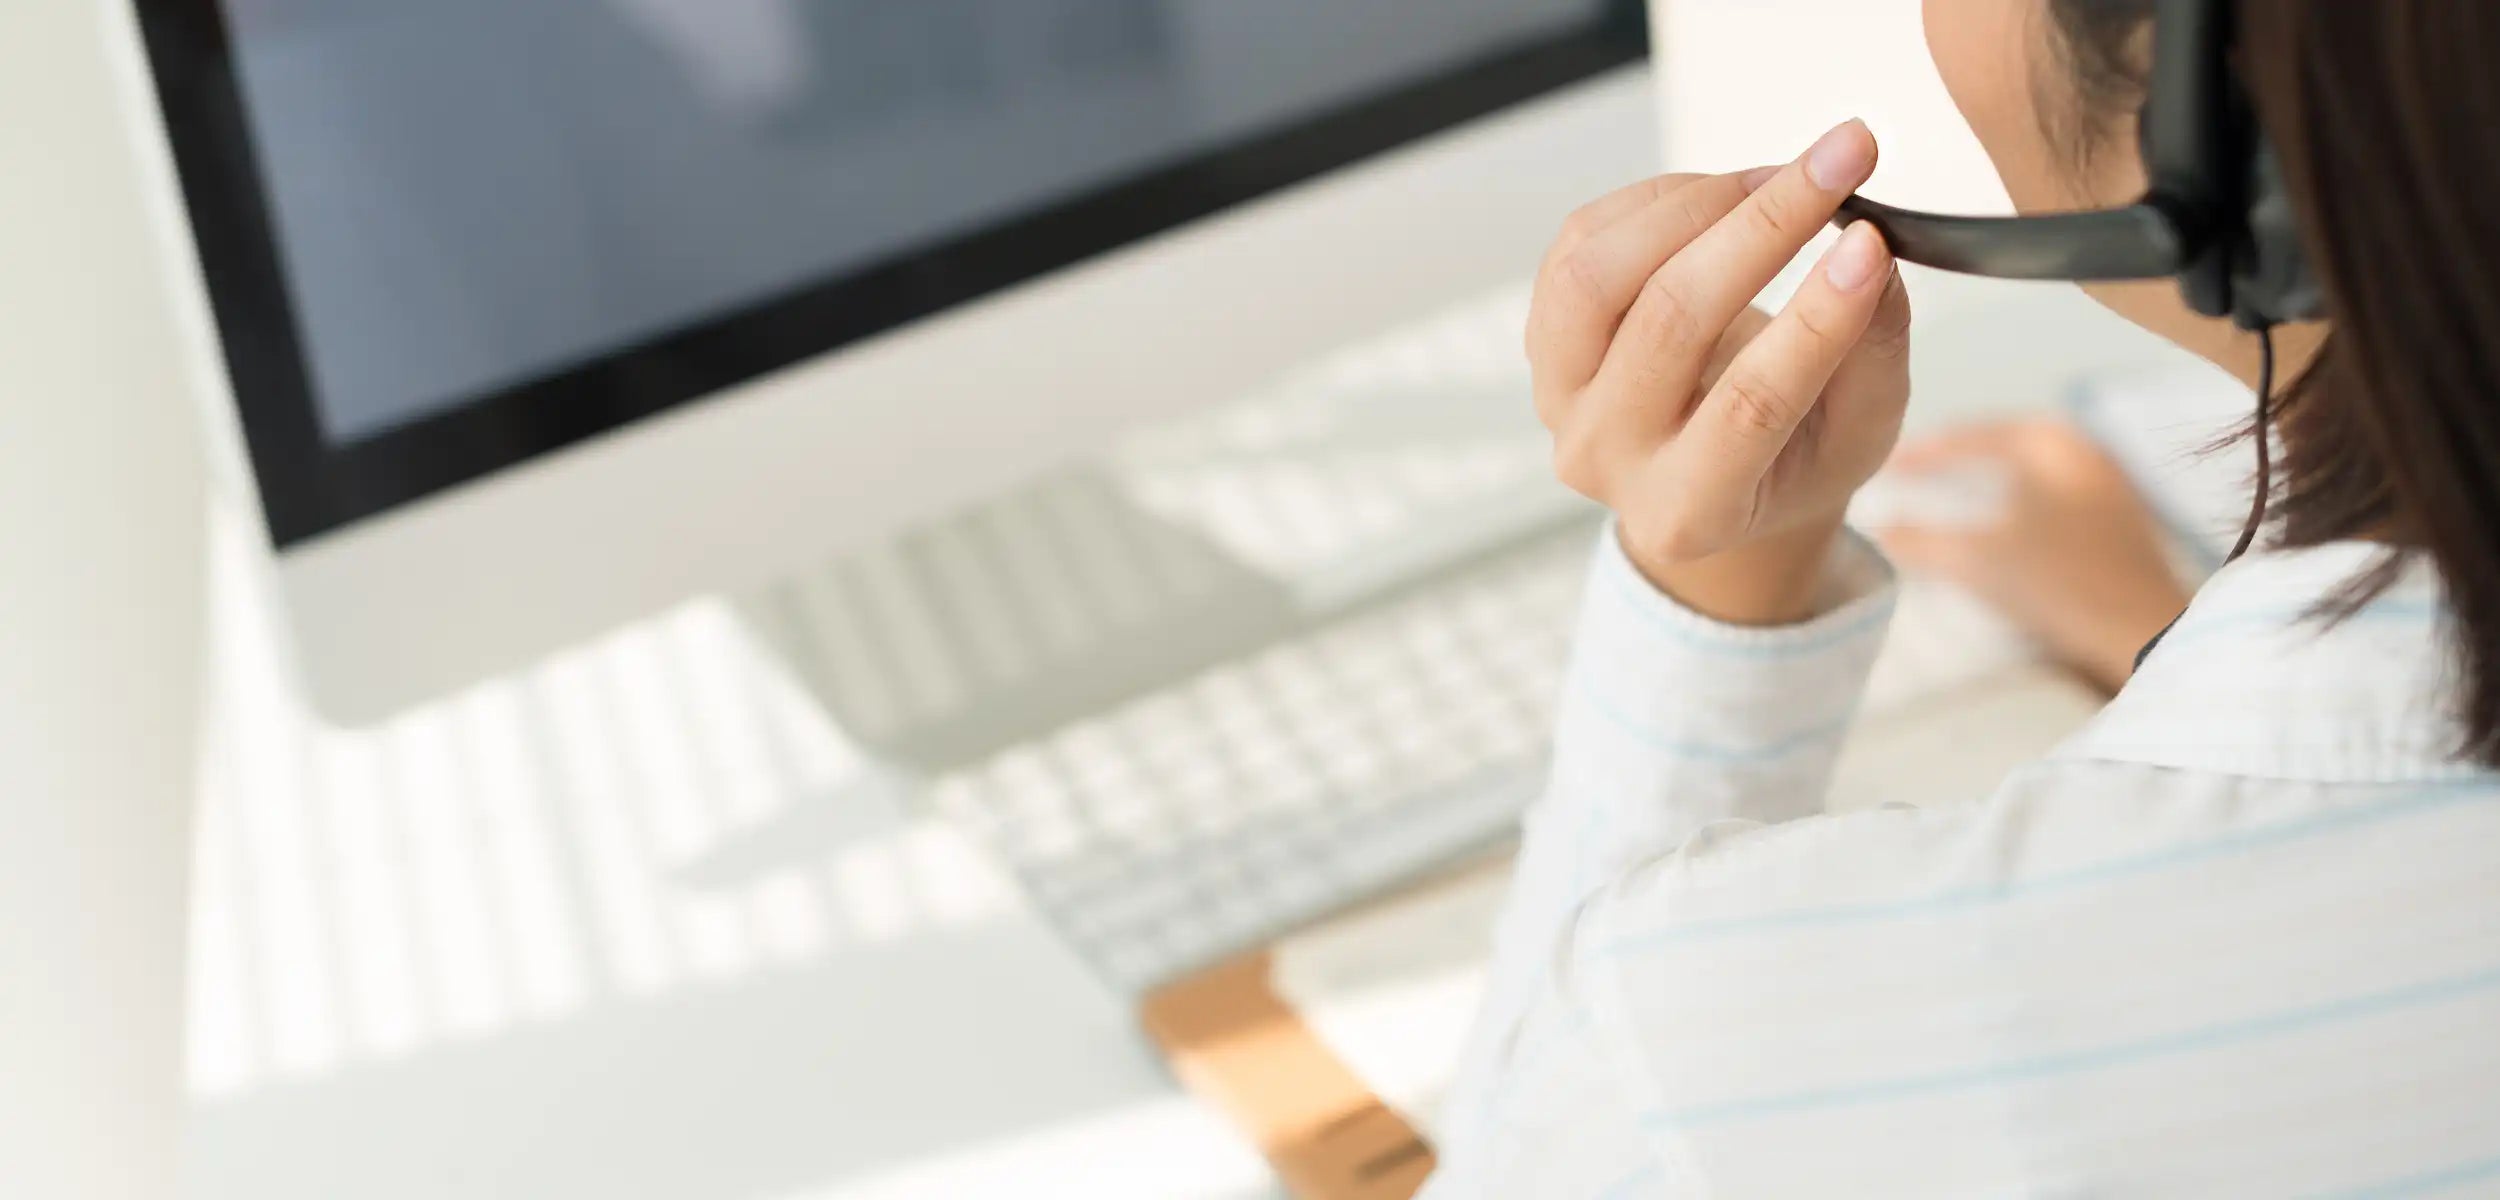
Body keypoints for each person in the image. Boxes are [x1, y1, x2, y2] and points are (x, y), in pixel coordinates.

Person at [1423, 2, 2500, 1195]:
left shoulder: (1721, 1052)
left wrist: (1715, 595)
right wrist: (2138, 616)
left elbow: (1540, 1146)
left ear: (2199, 110)